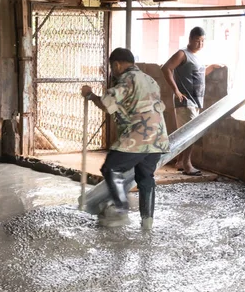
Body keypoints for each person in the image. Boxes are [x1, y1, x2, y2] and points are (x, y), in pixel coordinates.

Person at [81, 48, 169, 229]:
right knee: (146, 177)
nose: (112, 71)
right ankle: (147, 222)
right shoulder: (150, 80)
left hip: (139, 136)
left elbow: (106, 104)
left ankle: (121, 210)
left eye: (112, 68)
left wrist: (90, 95)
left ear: (117, 64)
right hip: (158, 139)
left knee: (111, 168)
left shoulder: (127, 79)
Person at [161, 26, 224, 176]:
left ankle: (180, 162)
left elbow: (199, 74)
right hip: (185, 100)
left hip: (196, 101)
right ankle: (187, 165)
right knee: (191, 133)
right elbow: (166, 68)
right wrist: (175, 90)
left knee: (188, 133)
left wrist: (212, 67)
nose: (200, 44)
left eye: (203, 41)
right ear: (190, 39)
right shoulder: (183, 54)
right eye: (197, 41)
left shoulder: (198, 57)